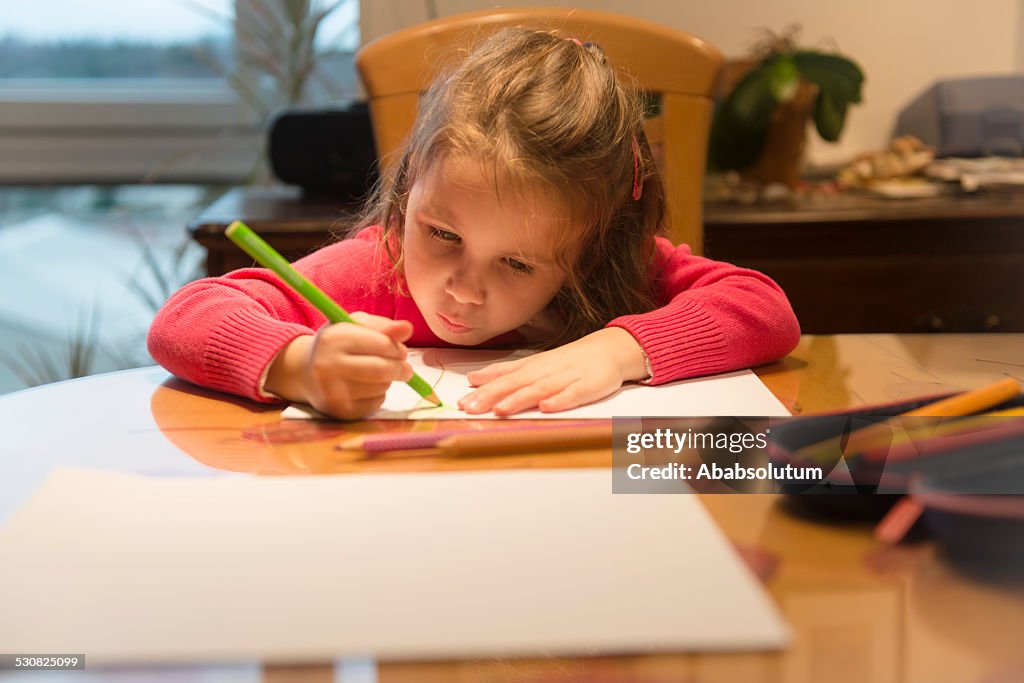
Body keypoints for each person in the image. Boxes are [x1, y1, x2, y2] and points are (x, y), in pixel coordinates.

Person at [148, 27, 800, 420]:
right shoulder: (377, 268)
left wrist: (618, 349)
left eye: (517, 263)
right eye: (444, 234)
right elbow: (186, 316)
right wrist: (299, 363)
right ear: (406, 195)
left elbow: (763, 307)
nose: (464, 289)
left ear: (590, 247)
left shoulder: (618, 270)